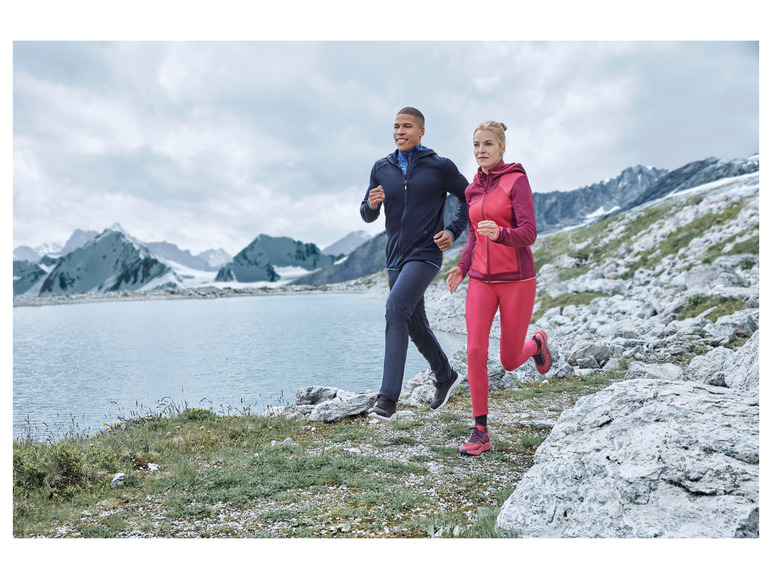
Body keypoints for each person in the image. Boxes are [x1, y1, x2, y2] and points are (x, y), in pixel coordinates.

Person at [446, 120, 552, 456]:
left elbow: (529, 233)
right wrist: (462, 268)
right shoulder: (471, 190)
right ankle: (481, 431)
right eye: (476, 145)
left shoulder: (515, 180)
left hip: (516, 280)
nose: (481, 151)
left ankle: (536, 344)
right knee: (475, 350)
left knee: (507, 360)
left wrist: (501, 234)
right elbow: (475, 236)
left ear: (502, 147)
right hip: (480, 280)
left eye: (488, 144)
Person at [361, 107, 469, 422]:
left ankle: (387, 399)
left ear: (421, 131)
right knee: (414, 323)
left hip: (426, 253)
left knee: (395, 309)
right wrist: (370, 204)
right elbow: (367, 214)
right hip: (395, 256)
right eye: (396, 126)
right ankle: (445, 375)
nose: (400, 132)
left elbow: (469, 198)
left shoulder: (440, 166)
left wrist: (453, 230)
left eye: (407, 126)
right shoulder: (382, 168)